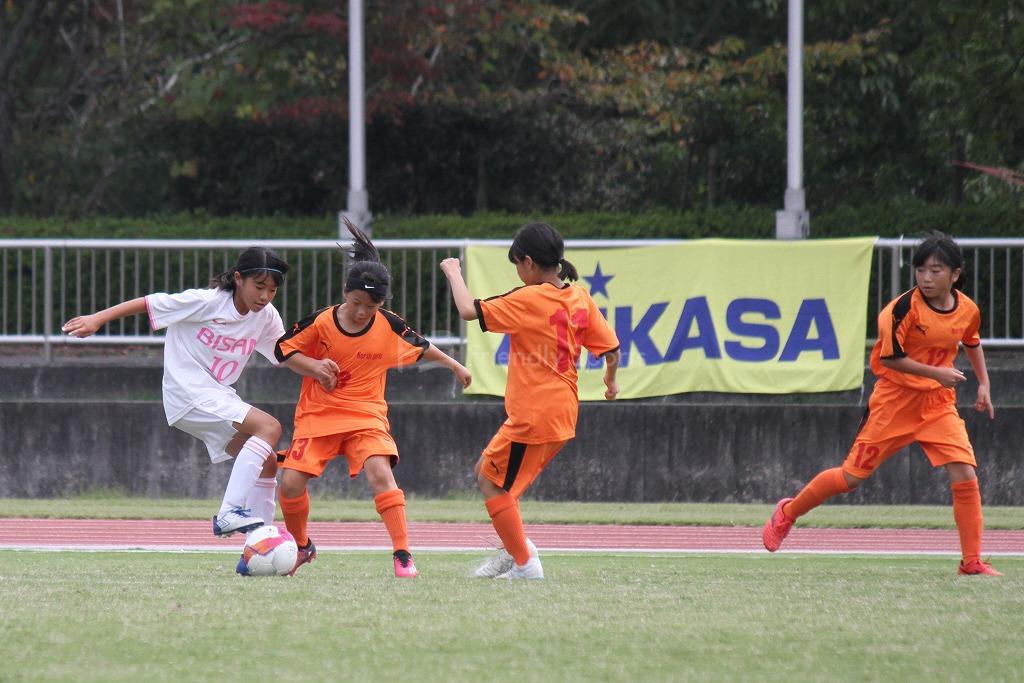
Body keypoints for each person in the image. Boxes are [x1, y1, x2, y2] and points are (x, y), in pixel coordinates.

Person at [763, 231, 1000, 576]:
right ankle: (789, 511)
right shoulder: (901, 310)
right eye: (921, 270)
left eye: (936, 270)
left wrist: (984, 383)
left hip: (937, 404)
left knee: (964, 472)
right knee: (850, 477)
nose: (927, 277)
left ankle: (971, 562)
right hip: (894, 402)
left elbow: (972, 341)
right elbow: (890, 360)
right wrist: (936, 372)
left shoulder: (967, 310)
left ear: (955, 274)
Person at [275, 218, 472, 578]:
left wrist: (455, 366)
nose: (364, 310)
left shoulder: (389, 324)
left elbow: (423, 347)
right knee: (289, 483)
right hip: (318, 414)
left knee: (381, 472)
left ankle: (403, 554)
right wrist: (315, 366)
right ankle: (302, 546)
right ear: (345, 294)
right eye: (357, 302)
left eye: (373, 304)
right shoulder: (320, 323)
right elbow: (283, 350)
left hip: (366, 415)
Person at [62, 247, 290, 540]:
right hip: (187, 393)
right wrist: (97, 319)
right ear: (238, 278)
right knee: (269, 427)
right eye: (259, 286)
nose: (265, 296)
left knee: (267, 462)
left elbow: (284, 352)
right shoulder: (206, 302)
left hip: (215, 398)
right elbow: (148, 303)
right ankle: (229, 511)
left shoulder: (266, 316)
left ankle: (259, 544)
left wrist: (319, 367)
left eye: (272, 290)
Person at [440, 222, 621, 580]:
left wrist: (452, 270)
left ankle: (524, 563)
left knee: (492, 483)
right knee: (487, 473)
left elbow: (467, 309)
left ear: (528, 263)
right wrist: (610, 383)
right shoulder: (580, 297)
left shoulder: (530, 298)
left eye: (517, 266)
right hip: (560, 412)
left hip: (536, 414)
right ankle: (518, 550)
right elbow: (612, 350)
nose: (519, 273)